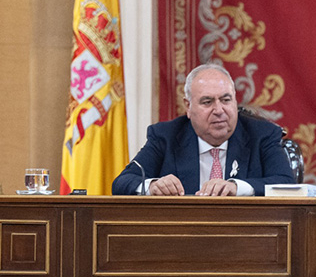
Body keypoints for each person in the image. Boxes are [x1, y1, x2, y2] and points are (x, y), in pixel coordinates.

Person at [112, 64, 295, 196]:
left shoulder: (262, 134)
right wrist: (152, 185)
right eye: (207, 102)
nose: (219, 110)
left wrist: (237, 187)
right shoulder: (166, 136)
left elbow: (287, 185)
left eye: (226, 100)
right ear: (188, 107)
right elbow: (121, 183)